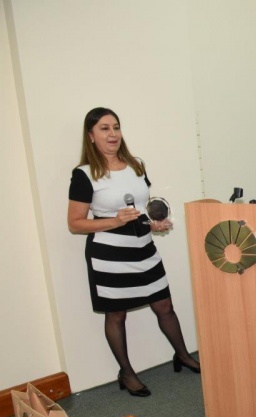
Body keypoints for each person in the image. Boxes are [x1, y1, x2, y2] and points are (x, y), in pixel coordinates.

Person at [67, 107, 200, 398]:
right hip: (109, 256)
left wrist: (156, 224)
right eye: (104, 128)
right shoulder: (84, 174)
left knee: (164, 306)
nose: (112, 133)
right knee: (116, 315)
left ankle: (183, 354)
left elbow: (143, 208)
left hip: (143, 248)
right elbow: (75, 223)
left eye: (116, 127)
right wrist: (114, 220)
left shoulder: (136, 165)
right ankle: (127, 373)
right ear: (91, 136)